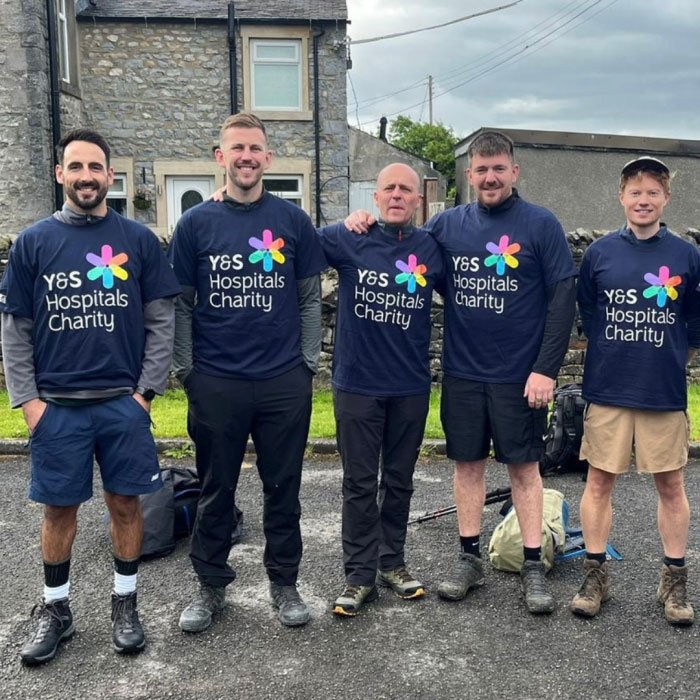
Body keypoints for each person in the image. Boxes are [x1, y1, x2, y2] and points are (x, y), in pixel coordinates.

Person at [346, 131, 576, 613]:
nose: (489, 177)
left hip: (522, 377)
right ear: (468, 175)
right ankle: (469, 559)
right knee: (467, 465)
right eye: (481, 169)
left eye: (498, 168)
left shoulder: (540, 224)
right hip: (463, 373)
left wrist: (545, 370)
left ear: (514, 171)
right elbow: (398, 246)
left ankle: (533, 565)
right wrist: (360, 219)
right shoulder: (448, 226)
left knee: (524, 469)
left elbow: (562, 300)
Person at [0, 128, 180, 665]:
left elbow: (161, 322)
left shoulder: (139, 241)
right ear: (61, 174)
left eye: (95, 167)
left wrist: (145, 395)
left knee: (126, 504)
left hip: (122, 406)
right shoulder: (33, 242)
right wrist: (29, 403)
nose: (85, 177)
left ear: (109, 176)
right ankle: (57, 610)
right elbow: (16, 331)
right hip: (56, 408)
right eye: (75, 167)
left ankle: (125, 603)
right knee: (59, 510)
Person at [169, 112, 326, 632]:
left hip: (284, 380)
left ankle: (284, 583)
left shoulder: (292, 222)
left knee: (284, 487)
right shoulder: (195, 223)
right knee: (216, 488)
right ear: (221, 157)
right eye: (236, 148)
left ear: (267, 158)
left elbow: (309, 301)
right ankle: (210, 586)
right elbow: (182, 306)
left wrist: (307, 363)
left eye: (255, 149)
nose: (246, 157)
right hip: (216, 381)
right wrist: (189, 370)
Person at [571, 156, 700, 625]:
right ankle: (595, 574)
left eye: (653, 192)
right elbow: (588, 313)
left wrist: (666, 361)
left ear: (666, 198)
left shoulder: (686, 255)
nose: (643, 200)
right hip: (607, 390)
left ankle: (674, 579)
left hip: (662, 392)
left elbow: (694, 323)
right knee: (599, 482)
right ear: (621, 196)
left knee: (671, 485)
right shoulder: (601, 253)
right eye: (635, 191)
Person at [317, 163, 443, 615]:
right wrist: (223, 200)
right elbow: (292, 241)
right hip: (356, 383)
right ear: (375, 197)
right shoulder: (349, 237)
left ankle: (393, 562)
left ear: (417, 200)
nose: (396, 195)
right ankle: (358, 575)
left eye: (405, 189)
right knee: (358, 481)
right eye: (387, 188)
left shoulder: (431, 247)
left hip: (409, 384)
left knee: (399, 480)